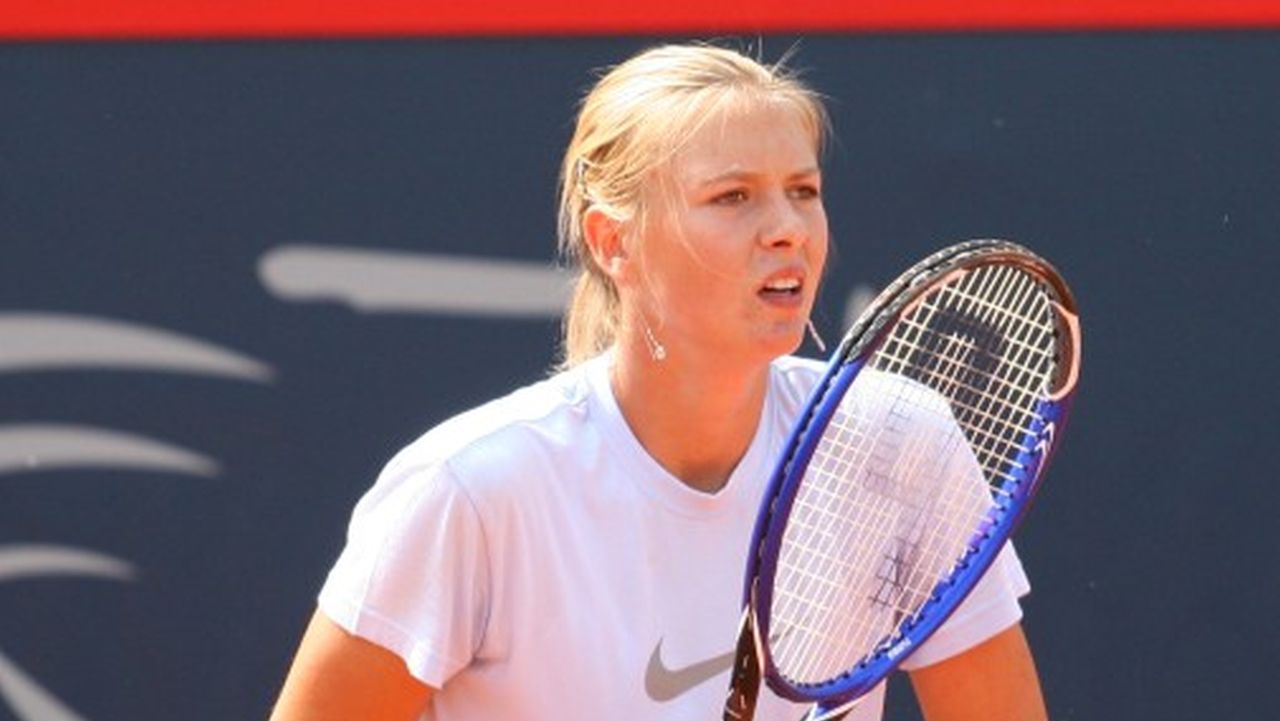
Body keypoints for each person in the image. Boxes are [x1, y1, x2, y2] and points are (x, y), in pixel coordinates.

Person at [269, 43, 1048, 721]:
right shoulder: (469, 492)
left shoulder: (900, 447)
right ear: (615, 242)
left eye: (803, 190)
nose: (788, 228)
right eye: (732, 196)